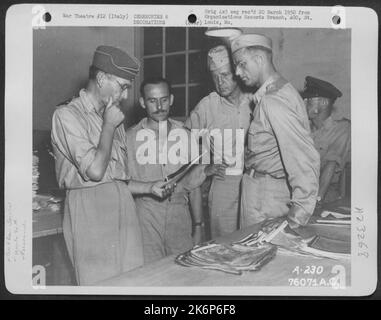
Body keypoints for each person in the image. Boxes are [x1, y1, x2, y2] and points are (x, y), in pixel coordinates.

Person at [51, 46, 174, 285]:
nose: (125, 96)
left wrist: (149, 188)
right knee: (100, 286)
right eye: (123, 86)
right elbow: (95, 172)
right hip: (90, 210)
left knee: (133, 282)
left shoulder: (112, 116)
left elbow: (116, 181)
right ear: (101, 78)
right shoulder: (67, 115)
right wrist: (108, 126)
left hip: (123, 207)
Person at [231, 34, 320, 228]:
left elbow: (303, 158)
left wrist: (299, 215)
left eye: (242, 64)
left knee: (254, 253)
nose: (237, 72)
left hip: (265, 196)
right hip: (265, 191)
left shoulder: (274, 100)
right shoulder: (280, 91)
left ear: (259, 59)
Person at [125, 77, 205, 264]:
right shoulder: (129, 138)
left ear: (171, 99)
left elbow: (195, 186)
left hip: (179, 215)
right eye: (152, 101)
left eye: (164, 99)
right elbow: (122, 184)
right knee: (151, 278)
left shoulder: (185, 135)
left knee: (184, 273)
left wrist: (199, 225)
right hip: (145, 216)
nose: (159, 106)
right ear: (143, 102)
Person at [185, 45, 252, 238]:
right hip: (224, 182)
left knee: (252, 241)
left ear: (238, 73)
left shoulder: (255, 100)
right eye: (214, 77)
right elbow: (183, 139)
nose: (219, 82)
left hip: (253, 181)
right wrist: (205, 160)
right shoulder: (208, 105)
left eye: (225, 75)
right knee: (223, 244)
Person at [302, 76, 351, 204]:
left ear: (323, 103)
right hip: (301, 194)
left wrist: (317, 200)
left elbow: (331, 164)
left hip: (324, 196)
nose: (303, 103)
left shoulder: (341, 129)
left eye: (309, 101)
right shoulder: (303, 130)